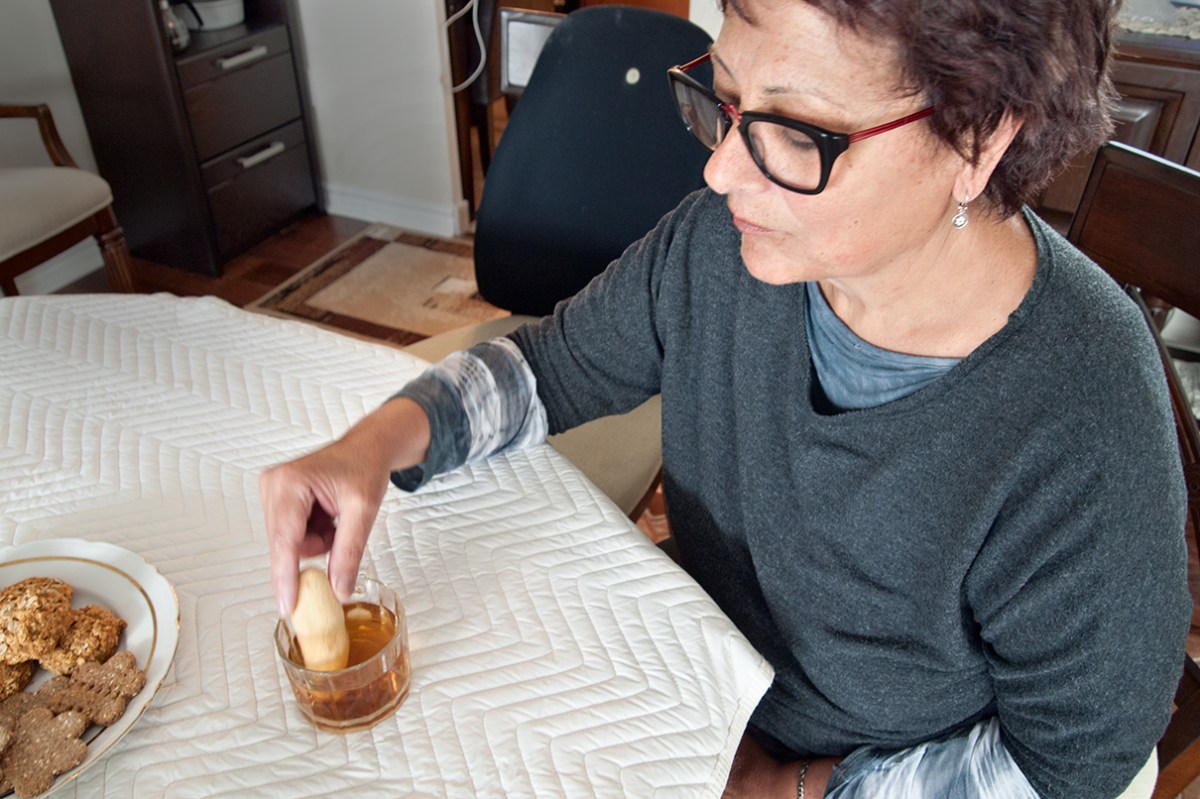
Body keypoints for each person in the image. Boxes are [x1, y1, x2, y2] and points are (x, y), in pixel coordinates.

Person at [259, 0, 1193, 795]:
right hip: (694, 678)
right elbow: (551, 368)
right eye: (728, 98)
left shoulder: (1083, 412)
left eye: (796, 132)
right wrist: (373, 446)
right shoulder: (723, 243)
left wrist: (784, 785)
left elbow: (1069, 763)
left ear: (982, 138)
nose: (720, 172)